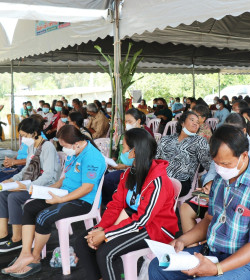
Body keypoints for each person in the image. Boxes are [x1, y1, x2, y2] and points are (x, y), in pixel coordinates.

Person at [149, 125, 250, 280]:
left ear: (244, 156)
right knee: (159, 266)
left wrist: (216, 269)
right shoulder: (220, 179)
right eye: (216, 163)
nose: (220, 168)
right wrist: (182, 240)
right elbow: (210, 220)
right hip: (213, 251)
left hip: (247, 261)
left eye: (226, 164)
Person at [1, 125, 106, 277]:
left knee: (44, 216)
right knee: (30, 207)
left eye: (64, 146)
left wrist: (61, 198)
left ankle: (35, 258)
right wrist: (49, 190)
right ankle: (25, 254)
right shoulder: (74, 152)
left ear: (76, 143)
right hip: (64, 193)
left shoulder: (92, 156)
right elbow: (64, 179)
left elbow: (86, 188)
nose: (63, 149)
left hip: (83, 201)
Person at [75, 128, 178, 280]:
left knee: (106, 252)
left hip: (155, 228)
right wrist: (100, 228)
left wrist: (106, 234)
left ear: (134, 152)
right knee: (83, 242)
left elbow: (143, 220)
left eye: (123, 147)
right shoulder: (130, 173)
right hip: (133, 219)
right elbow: (115, 205)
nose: (120, 151)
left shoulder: (157, 181)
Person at [0, 118, 60, 253]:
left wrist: (27, 186)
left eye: (25, 136)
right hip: (31, 183)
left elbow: (49, 175)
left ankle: (17, 239)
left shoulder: (47, 147)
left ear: (34, 133)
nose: (23, 139)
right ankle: (3, 235)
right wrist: (12, 180)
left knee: (14, 197)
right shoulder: (32, 147)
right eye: (21, 136)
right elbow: (26, 170)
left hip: (46, 187)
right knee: (3, 193)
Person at [102, 108, 154, 205]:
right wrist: (113, 160)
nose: (127, 124)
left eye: (130, 121)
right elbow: (117, 151)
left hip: (133, 170)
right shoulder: (124, 135)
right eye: (125, 121)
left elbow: (146, 161)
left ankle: (110, 203)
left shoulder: (143, 137)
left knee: (108, 180)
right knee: (101, 173)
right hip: (118, 166)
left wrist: (124, 167)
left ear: (138, 121)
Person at [157, 111, 211, 197]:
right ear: (182, 123)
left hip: (181, 180)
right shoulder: (167, 139)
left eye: (197, 122)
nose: (195, 123)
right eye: (192, 120)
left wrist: (210, 182)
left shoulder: (199, 141)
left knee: (157, 189)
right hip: (161, 177)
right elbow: (155, 158)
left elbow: (208, 164)